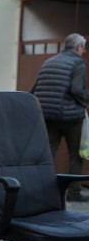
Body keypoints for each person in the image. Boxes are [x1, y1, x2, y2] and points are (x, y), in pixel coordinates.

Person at [31, 33, 89, 202]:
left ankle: (39, 188)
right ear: (78, 47)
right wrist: (85, 100)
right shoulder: (78, 63)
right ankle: (73, 192)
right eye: (83, 48)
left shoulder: (49, 62)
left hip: (48, 115)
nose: (83, 51)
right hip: (71, 117)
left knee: (48, 152)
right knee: (75, 155)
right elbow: (76, 89)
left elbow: (34, 88)